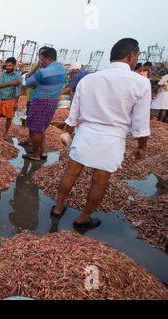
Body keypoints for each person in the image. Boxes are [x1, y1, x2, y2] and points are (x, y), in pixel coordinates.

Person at [52, 38, 151, 231]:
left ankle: (57, 207)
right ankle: (83, 217)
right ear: (132, 55)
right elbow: (141, 123)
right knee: (100, 181)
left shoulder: (89, 79)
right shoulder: (141, 83)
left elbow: (74, 112)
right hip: (112, 139)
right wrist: (142, 147)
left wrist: (67, 132)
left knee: (71, 172)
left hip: (86, 133)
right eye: (137, 56)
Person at [24, 48, 66, 161]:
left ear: (47, 59)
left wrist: (38, 71)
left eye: (42, 59)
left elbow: (28, 83)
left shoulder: (43, 72)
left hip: (40, 102)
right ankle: (42, 152)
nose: (41, 62)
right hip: (52, 102)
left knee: (35, 129)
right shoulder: (63, 70)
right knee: (41, 128)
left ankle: (35, 154)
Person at [0, 57, 22, 139]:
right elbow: (0, 85)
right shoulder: (3, 74)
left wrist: (16, 103)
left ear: (14, 65)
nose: (7, 67)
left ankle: (5, 133)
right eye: (7, 66)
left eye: (9, 66)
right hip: (1, 98)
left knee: (9, 117)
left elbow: (18, 90)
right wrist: (13, 83)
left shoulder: (18, 76)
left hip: (11, 99)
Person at [25, 47, 51, 115]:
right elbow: (27, 78)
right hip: (31, 99)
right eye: (41, 54)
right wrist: (37, 67)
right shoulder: (35, 66)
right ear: (39, 55)